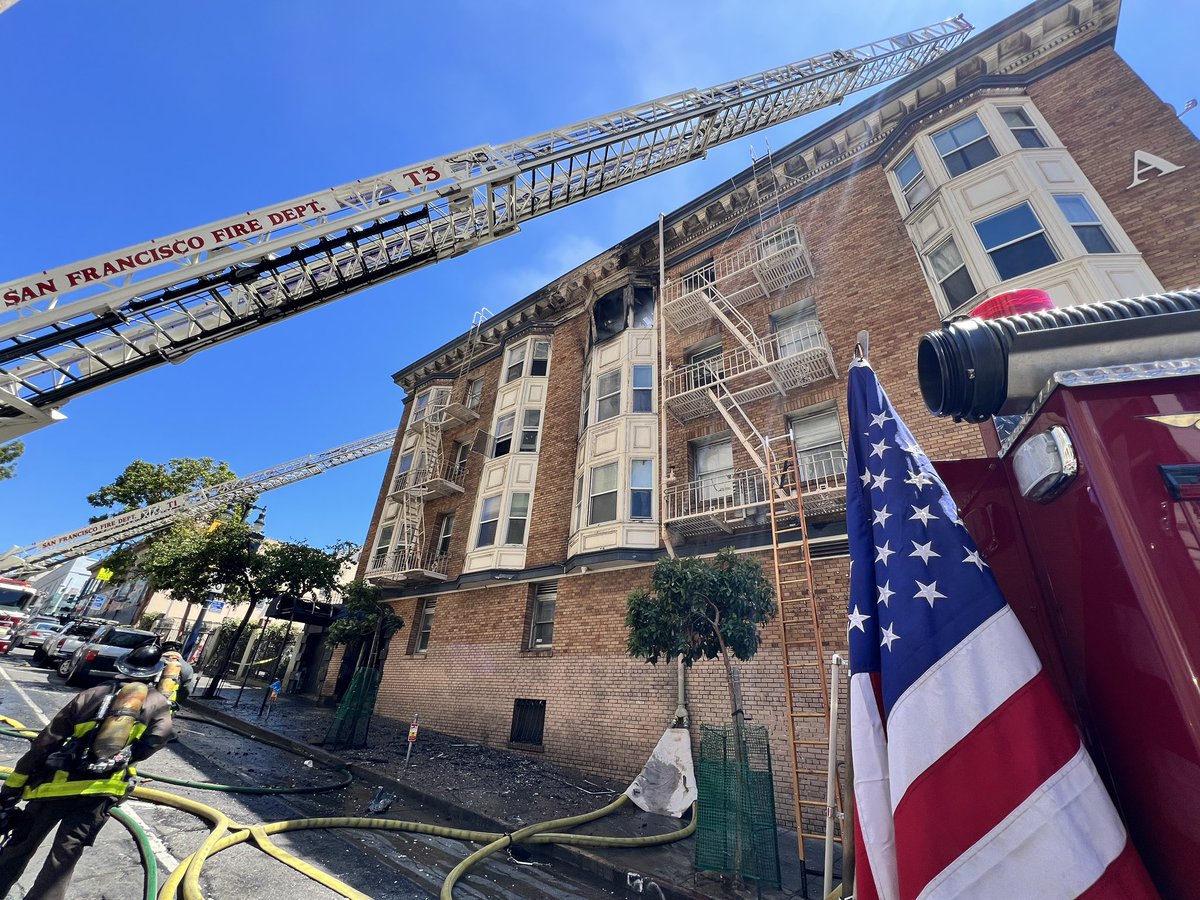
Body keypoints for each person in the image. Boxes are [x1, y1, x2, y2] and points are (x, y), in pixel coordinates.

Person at [0, 644, 174, 900]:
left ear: (121, 667)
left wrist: (12, 789)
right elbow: (157, 739)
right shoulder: (158, 704)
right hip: (99, 794)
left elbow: (45, 743)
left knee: (19, 846)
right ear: (155, 673)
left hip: (53, 788)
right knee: (63, 859)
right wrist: (125, 758)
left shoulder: (91, 695)